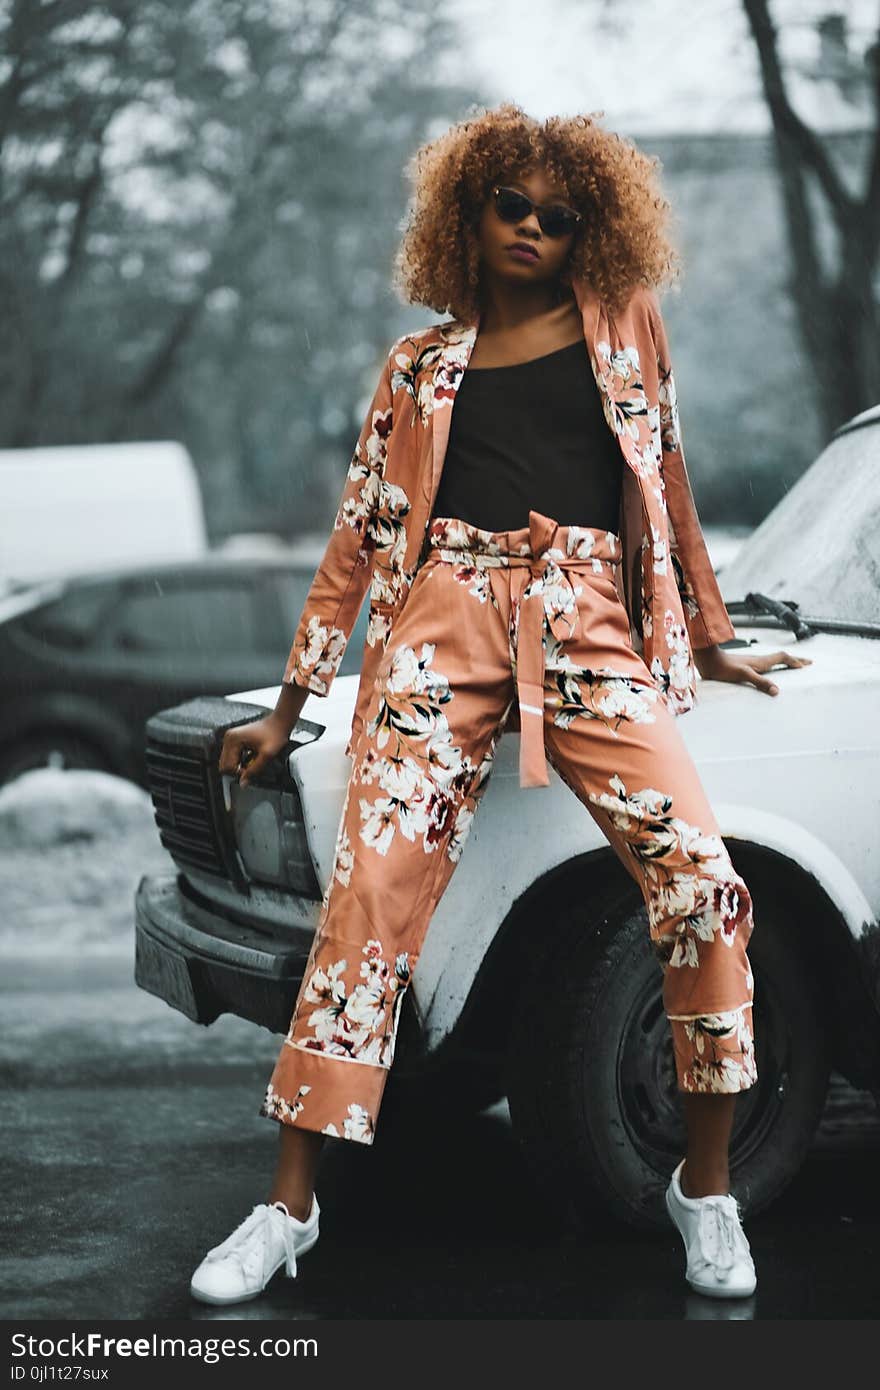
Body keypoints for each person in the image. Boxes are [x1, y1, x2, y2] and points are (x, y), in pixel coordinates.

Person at [189, 104, 811, 1308]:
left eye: (558, 214)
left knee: (699, 877)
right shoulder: (417, 369)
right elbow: (359, 537)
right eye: (510, 206)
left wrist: (714, 637)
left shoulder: (624, 329)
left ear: (591, 229)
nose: (532, 227)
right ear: (464, 217)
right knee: (367, 902)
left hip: (588, 623)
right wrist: (296, 695)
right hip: (440, 626)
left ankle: (706, 1186)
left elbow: (665, 479)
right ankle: (288, 1206)